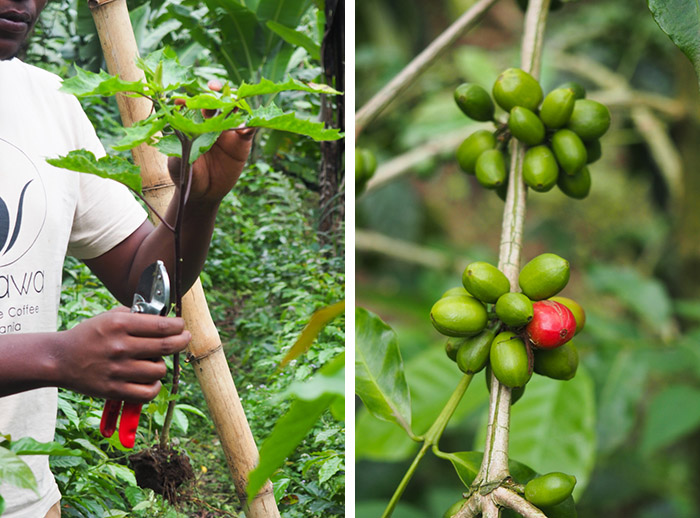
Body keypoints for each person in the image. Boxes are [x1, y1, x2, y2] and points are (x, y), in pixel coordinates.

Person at [0, 0, 255, 516]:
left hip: (26, 500)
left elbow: (144, 275)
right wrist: (56, 357)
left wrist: (198, 200)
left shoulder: (49, 102)